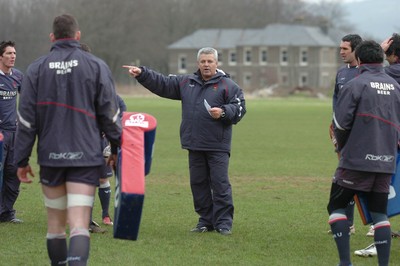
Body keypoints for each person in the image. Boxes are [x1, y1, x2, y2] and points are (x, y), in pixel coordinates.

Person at [15, 14, 121, 265]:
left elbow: (27, 121)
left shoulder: (36, 69)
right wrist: (116, 148)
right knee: (78, 224)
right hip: (84, 157)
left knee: (55, 224)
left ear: (52, 38)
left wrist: (21, 160)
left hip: (51, 157)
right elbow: (110, 115)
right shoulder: (96, 66)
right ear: (77, 36)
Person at [123, 47, 246, 236]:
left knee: (220, 184)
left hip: (217, 145)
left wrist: (223, 112)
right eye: (203, 61)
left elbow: (239, 108)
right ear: (198, 64)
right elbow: (163, 84)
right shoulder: (187, 82)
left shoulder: (228, 85)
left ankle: (223, 223)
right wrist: (143, 74)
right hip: (194, 143)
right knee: (198, 184)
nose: (206, 65)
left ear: (216, 63)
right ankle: (205, 221)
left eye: (210, 61)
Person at [327, 40, 400, 266]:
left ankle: (344, 262)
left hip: (356, 160)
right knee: (379, 213)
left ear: (358, 60)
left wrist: (343, 147)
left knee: (336, 207)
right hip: (387, 161)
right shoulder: (396, 87)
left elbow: (340, 123)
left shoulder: (356, 85)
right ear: (381, 59)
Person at [354, 33, 400, 257]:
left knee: (383, 194)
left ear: (393, 54)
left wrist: (377, 53)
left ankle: (377, 239)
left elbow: (365, 74)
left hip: (388, 143)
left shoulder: (389, 73)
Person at [329, 34, 362, 235]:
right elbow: (336, 100)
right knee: (345, 178)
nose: (341, 52)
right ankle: (348, 224)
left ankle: (376, 223)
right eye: (340, 48)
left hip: (364, 136)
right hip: (344, 136)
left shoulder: (368, 73)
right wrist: (334, 125)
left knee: (368, 179)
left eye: (345, 49)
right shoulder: (341, 73)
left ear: (356, 50)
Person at [0, 41, 24, 224]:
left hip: (14, 133)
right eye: (9, 53)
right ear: (1, 56)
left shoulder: (17, 76)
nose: (13, 56)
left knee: (14, 173)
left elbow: (30, 99)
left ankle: (7, 212)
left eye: (14, 53)